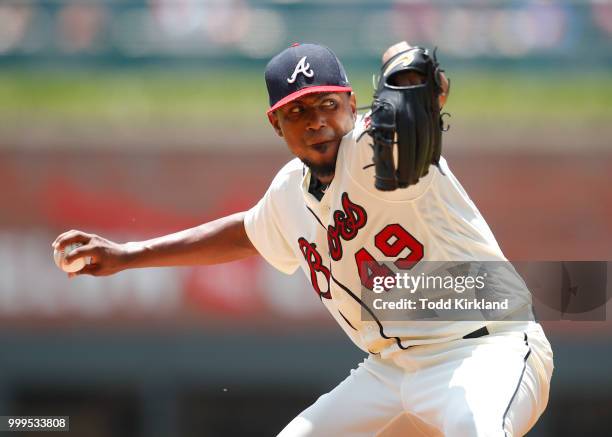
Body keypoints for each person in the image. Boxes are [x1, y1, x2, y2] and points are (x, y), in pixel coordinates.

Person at [53, 42, 553, 436]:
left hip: (486, 350)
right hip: (392, 371)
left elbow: (402, 138)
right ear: (276, 123)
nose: (316, 120)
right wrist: (127, 255)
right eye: (297, 111)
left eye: (327, 104)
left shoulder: (371, 147)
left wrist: (418, 93)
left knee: (477, 429)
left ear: (352, 103)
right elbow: (248, 232)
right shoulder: (288, 193)